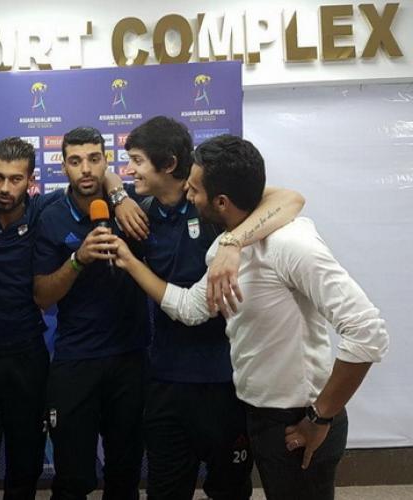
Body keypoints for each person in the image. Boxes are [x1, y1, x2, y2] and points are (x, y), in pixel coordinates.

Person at [112, 134, 389, 500]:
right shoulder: (221, 249)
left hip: (301, 417)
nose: (188, 195)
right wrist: (131, 262)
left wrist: (322, 416)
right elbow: (191, 308)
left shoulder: (292, 244)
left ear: (221, 202)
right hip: (260, 415)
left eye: (194, 189)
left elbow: (367, 332)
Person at [121, 116, 305, 500]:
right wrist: (117, 197)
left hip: (225, 380)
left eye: (137, 160)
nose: (129, 169)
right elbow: (102, 179)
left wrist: (233, 242)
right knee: (165, 490)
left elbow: (291, 199)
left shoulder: (211, 204)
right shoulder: (138, 206)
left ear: (169, 164)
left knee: (229, 488)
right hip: (167, 379)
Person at [0, 137, 145, 500]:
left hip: (27, 356)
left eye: (16, 179)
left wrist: (118, 192)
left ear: (31, 181)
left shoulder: (41, 210)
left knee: (25, 466)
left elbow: (92, 180)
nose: (5, 188)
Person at [33, 126, 149, 500]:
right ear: (63, 166)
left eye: (94, 159)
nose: (86, 169)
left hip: (129, 356)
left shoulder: (132, 204)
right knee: (72, 478)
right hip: (76, 358)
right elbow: (42, 297)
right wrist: (78, 259)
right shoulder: (50, 215)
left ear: (105, 161)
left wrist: (120, 195)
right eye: (75, 161)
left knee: (125, 474)